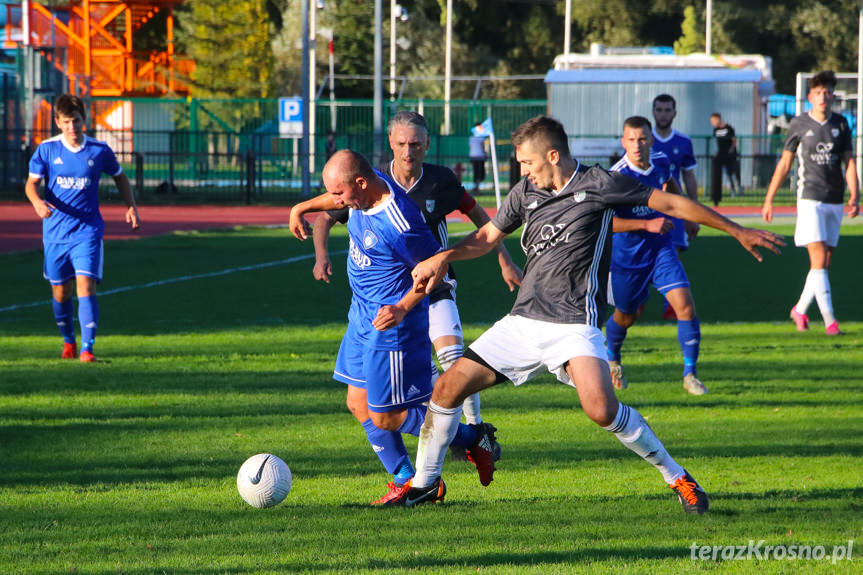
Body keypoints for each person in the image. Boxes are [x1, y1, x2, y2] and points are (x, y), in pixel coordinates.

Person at [395, 116, 784, 511]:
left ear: (553, 155)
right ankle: (425, 485)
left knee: (601, 410)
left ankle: (678, 477)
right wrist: (444, 256)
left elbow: (670, 202)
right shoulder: (525, 193)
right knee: (446, 390)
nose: (523, 172)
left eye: (528, 163)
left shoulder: (599, 184)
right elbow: (486, 237)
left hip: (573, 325)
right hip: (523, 321)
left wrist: (736, 229)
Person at [289, 150, 498, 505]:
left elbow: (437, 268)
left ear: (361, 183)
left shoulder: (400, 222)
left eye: (340, 195)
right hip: (361, 316)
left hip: (393, 327)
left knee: (387, 417)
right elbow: (335, 194)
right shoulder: (362, 191)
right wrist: (301, 207)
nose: (337, 203)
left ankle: (474, 438)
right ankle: (407, 479)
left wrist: (402, 308)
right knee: (357, 403)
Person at [311, 111, 522, 450]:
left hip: (429, 289)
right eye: (402, 144)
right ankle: (421, 469)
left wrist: (506, 260)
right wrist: (301, 209)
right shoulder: (372, 179)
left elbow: (480, 220)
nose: (409, 152)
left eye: (416, 144)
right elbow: (335, 202)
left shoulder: (436, 185)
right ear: (391, 145)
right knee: (368, 402)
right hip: (378, 305)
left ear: (427, 145)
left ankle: (474, 431)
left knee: (450, 363)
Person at [24, 94, 140, 362]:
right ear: (58, 122)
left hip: (87, 231)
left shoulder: (99, 150)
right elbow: (30, 184)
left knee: (85, 287)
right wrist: (37, 203)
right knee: (60, 292)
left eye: (76, 121)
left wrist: (131, 206)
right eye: (66, 122)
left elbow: (120, 176)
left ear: (83, 121)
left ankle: (87, 349)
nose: (72, 127)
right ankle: (69, 342)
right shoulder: (47, 149)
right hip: (55, 233)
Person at [605, 116, 707, 396]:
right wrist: (645, 223)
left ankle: (690, 375)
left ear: (650, 140)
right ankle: (612, 353)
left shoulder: (661, 161)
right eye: (631, 139)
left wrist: (685, 214)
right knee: (627, 315)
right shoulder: (616, 177)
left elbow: (672, 186)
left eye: (642, 139)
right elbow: (605, 224)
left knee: (685, 306)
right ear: (623, 141)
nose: (637, 145)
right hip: (626, 257)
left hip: (661, 249)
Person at [762, 70, 859, 336]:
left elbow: (848, 161)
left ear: (833, 96)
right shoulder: (799, 124)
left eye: (828, 92)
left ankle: (800, 310)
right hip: (809, 199)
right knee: (817, 259)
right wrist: (769, 199)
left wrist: (855, 193)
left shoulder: (841, 123)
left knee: (824, 263)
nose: (823, 97)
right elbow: (785, 164)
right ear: (810, 97)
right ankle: (830, 322)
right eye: (818, 93)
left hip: (834, 199)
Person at [652, 93, 700, 321]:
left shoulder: (683, 141)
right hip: (647, 208)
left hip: (674, 208)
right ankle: (638, 298)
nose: (663, 114)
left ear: (674, 113)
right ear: (653, 112)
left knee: (674, 254)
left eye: (667, 110)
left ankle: (670, 306)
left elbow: (689, 177)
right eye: (659, 110)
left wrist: (693, 213)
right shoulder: (642, 139)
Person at [709, 112, 742, 205]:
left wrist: (731, 150)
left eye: (714, 120)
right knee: (718, 173)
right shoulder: (715, 130)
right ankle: (717, 196)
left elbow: (734, 140)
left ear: (718, 119)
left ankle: (736, 189)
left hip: (730, 155)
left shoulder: (729, 128)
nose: (713, 123)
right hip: (721, 154)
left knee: (732, 172)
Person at [469, 122, 488, 193]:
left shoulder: (471, 138)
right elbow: (482, 148)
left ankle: (476, 187)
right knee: (480, 173)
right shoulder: (481, 138)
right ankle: (476, 188)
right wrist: (485, 154)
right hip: (480, 157)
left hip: (473, 157)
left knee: (476, 172)